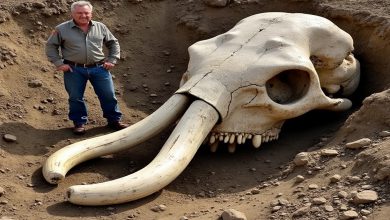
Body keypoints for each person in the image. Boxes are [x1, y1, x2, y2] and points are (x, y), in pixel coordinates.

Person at [45, 0, 128, 135]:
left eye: (86, 13)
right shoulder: (62, 29)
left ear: (91, 13)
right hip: (74, 69)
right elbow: (51, 46)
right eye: (79, 13)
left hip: (100, 68)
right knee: (75, 97)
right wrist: (59, 64)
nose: (83, 16)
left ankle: (114, 120)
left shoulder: (100, 27)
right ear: (72, 13)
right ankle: (79, 123)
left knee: (108, 95)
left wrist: (112, 59)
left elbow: (113, 43)